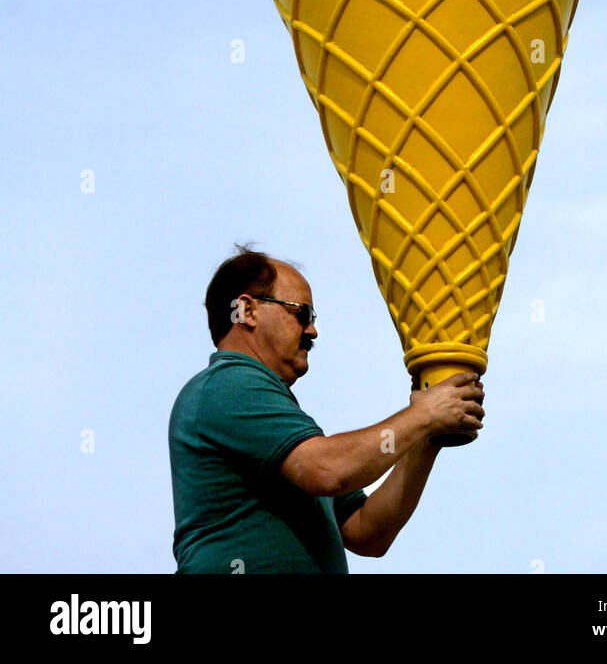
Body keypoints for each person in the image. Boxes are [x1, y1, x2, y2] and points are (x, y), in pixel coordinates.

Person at [168, 245, 484, 573]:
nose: (312, 330)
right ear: (247, 310)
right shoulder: (230, 384)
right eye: (301, 313)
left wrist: (428, 436)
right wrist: (424, 415)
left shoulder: (272, 415)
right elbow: (328, 471)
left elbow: (367, 531)